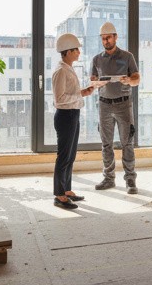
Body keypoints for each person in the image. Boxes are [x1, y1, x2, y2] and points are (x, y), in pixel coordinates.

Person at [90, 21, 140, 194]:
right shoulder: (96, 59)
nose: (106, 41)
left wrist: (129, 80)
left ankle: (130, 180)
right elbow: (93, 79)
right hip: (104, 105)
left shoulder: (127, 57)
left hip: (123, 105)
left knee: (127, 143)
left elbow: (137, 78)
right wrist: (95, 83)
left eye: (108, 38)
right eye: (103, 39)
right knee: (106, 144)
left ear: (115, 37)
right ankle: (109, 178)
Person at [52, 31, 95, 210]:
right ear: (67, 51)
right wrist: (79, 96)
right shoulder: (61, 71)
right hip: (65, 116)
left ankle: (67, 190)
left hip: (73, 114)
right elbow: (60, 99)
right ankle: (59, 195)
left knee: (70, 156)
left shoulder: (69, 68)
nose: (79, 52)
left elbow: (71, 94)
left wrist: (83, 92)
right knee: (63, 157)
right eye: (76, 49)